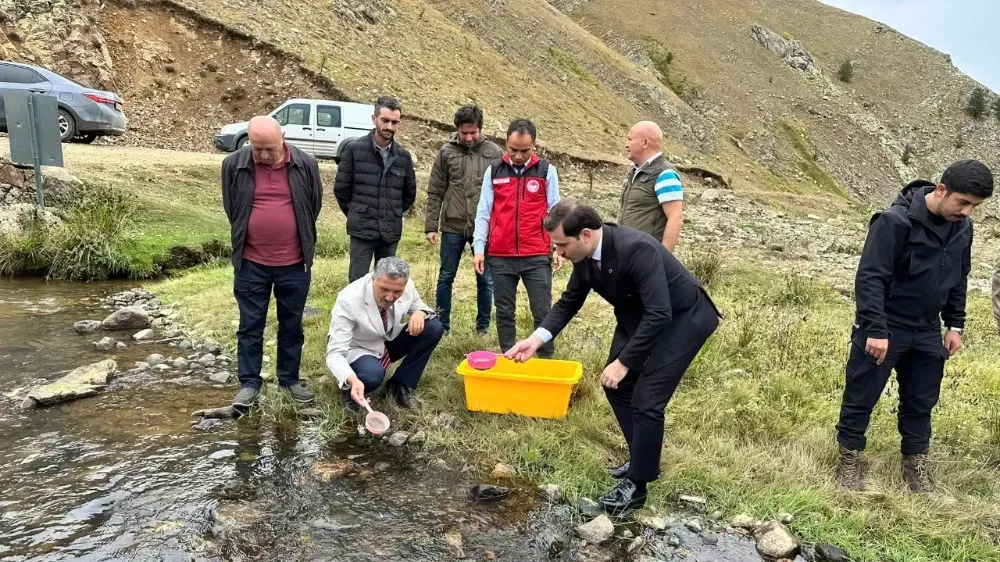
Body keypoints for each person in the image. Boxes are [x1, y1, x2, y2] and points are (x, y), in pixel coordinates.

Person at [505, 200, 721, 514]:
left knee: (647, 400)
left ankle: (637, 487)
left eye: (562, 244)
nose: (559, 253)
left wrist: (624, 362)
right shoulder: (583, 257)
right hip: (640, 316)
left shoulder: (636, 249)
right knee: (615, 386)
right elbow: (568, 304)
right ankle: (643, 460)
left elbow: (660, 313)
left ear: (586, 235)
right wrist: (536, 340)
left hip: (683, 319)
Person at [835, 159, 994, 494]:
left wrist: (955, 324)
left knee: (921, 400)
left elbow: (958, 277)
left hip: (926, 328)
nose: (967, 212)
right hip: (885, 325)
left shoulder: (962, 228)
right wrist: (875, 329)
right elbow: (870, 279)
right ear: (941, 190)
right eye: (962, 202)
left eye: (974, 207)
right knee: (861, 395)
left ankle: (914, 466)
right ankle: (849, 460)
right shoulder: (894, 222)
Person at [221, 115, 323, 410]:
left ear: (283, 138)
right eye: (257, 149)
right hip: (251, 262)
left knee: (291, 325)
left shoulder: (306, 164)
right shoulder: (234, 165)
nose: (264, 156)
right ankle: (249, 384)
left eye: (270, 149)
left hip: (294, 262)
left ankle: (289, 379)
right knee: (250, 325)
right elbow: (233, 209)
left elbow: (312, 206)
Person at [472, 118, 564, 358]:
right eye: (513, 149)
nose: (519, 155)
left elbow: (556, 211)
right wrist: (479, 248)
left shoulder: (546, 171)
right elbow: (484, 211)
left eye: (525, 150)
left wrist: (559, 247)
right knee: (504, 312)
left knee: (542, 312)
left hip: (536, 254)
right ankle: (509, 358)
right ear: (506, 143)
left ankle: (545, 361)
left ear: (534, 146)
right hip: (500, 256)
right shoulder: (494, 170)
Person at [325, 257, 444, 411]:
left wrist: (420, 313)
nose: (389, 297)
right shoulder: (349, 299)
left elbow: (419, 305)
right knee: (372, 375)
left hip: (388, 339)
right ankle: (350, 391)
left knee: (433, 327)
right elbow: (334, 353)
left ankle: (399, 384)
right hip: (359, 347)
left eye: (397, 292)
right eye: (384, 289)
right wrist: (352, 379)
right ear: (374, 279)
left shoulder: (406, 285)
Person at [425, 104, 503, 335]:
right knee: (446, 276)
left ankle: (483, 327)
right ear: (457, 130)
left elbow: (502, 195)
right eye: (464, 133)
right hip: (452, 225)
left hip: (484, 228)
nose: (469, 137)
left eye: (473, 132)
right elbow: (435, 191)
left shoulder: (495, 153)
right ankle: (442, 326)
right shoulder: (446, 153)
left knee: (485, 279)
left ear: (480, 129)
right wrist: (431, 226)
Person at [334, 95, 417, 282]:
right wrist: (358, 212)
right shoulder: (354, 150)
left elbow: (409, 194)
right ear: (374, 119)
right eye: (385, 120)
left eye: (394, 122)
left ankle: (381, 313)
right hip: (362, 230)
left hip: (390, 231)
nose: (389, 127)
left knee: (387, 282)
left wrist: (391, 211)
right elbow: (341, 190)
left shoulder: (403, 156)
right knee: (357, 282)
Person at [618, 121, 684, 251]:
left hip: (647, 257)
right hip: (628, 254)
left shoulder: (665, 174)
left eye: (630, 139)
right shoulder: (634, 172)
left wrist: (663, 259)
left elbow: (676, 218)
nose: (626, 145)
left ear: (645, 143)